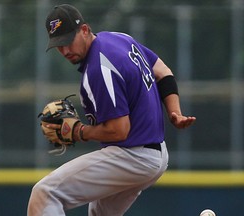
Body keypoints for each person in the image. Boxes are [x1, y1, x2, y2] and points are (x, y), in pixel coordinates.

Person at [27, 4, 196, 216]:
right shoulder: (118, 38)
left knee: (45, 192)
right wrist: (175, 112)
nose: (65, 50)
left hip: (133, 155)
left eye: (69, 41)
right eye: (59, 45)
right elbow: (163, 71)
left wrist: (78, 131)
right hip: (155, 154)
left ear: (85, 30)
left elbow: (119, 130)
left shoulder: (98, 68)